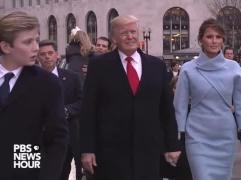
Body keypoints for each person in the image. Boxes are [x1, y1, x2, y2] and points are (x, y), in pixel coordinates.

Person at [80, 15, 181, 180]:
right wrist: (87, 149)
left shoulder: (156, 66)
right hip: (110, 152)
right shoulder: (99, 66)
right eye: (124, 33)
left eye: (133, 32)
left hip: (148, 149)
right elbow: (88, 109)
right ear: (114, 38)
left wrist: (172, 144)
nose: (130, 37)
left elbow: (166, 109)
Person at [173, 18, 241, 180]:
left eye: (218, 37)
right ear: (201, 39)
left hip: (225, 135)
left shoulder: (234, 68)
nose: (214, 41)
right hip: (197, 135)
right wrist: (174, 142)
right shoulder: (188, 69)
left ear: (223, 40)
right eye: (209, 36)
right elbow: (179, 106)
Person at [0, 12, 68, 180]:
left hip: (26, 168)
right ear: (6, 47)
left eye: (36, 40)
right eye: (27, 42)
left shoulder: (47, 83)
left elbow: (57, 139)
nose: (36, 48)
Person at [37, 39, 83, 180]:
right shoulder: (31, 78)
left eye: (50, 53)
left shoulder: (72, 77)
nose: (47, 57)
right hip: (39, 138)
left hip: (66, 136)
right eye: (43, 54)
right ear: (38, 57)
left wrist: (66, 111)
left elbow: (82, 100)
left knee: (63, 172)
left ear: (57, 54)